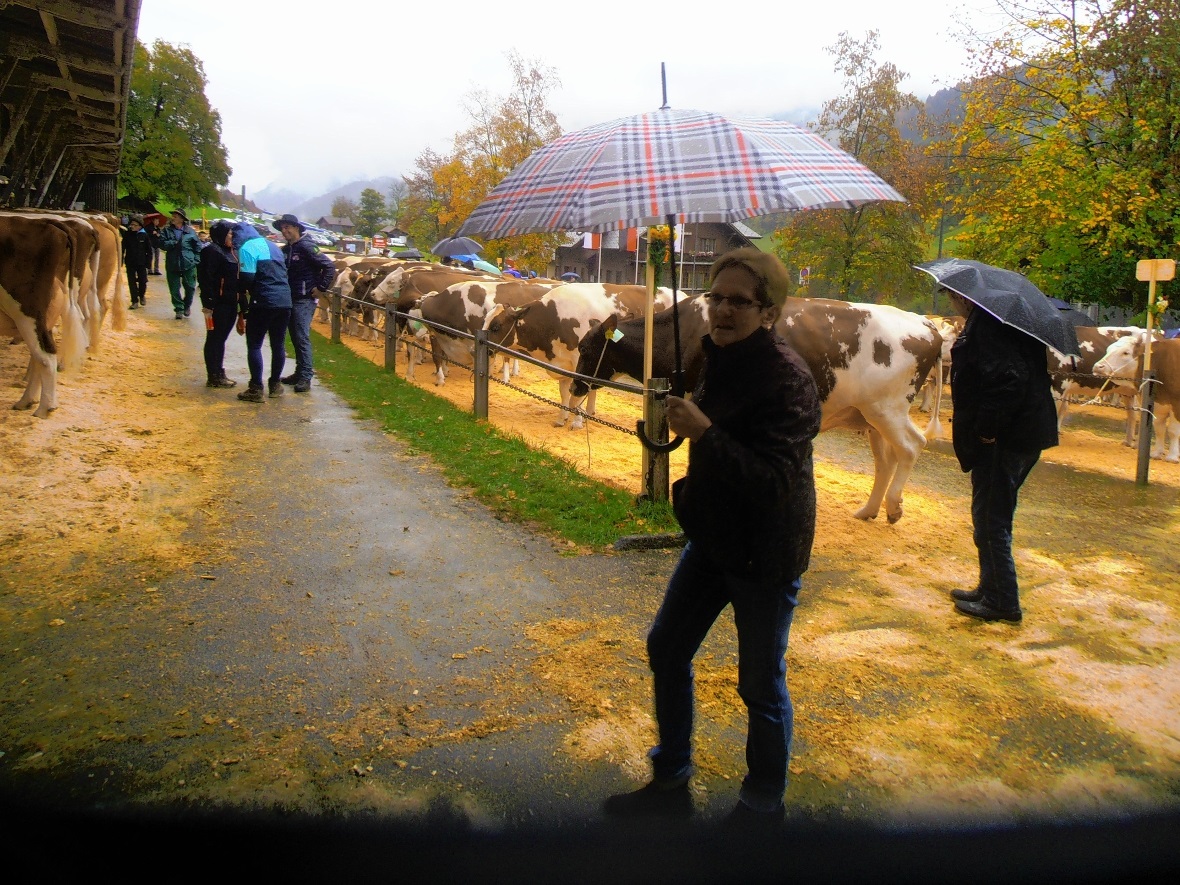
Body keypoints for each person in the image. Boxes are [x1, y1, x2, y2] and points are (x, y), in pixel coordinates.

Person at [603, 249, 821, 825]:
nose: (723, 310)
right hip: (713, 537)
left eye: (739, 301)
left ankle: (762, 803)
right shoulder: (713, 353)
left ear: (768, 312)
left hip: (765, 551)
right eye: (715, 297)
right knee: (667, 646)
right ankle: (671, 775)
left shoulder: (790, 380)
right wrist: (681, 419)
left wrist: (705, 431)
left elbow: (775, 483)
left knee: (759, 684)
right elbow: (710, 423)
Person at [946, 288, 1058, 623]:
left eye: (951, 296)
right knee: (991, 514)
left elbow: (1008, 382)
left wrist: (985, 432)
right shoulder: (1007, 326)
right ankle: (990, 586)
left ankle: (1002, 601)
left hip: (1006, 440)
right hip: (1023, 433)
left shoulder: (991, 328)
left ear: (965, 298)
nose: (951, 302)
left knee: (992, 519)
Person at [273, 213, 336, 393]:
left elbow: (329, 266)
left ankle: (306, 376)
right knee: (294, 335)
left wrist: (321, 288)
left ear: (297, 228)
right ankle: (299, 372)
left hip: (304, 299)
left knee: (301, 336)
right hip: (290, 297)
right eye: (282, 228)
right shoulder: (286, 250)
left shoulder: (307, 247)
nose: (285, 231)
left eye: (288, 228)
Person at [232, 222, 293, 403]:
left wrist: (242, 292)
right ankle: (275, 384)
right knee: (278, 344)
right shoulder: (273, 246)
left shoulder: (247, 248)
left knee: (255, 344)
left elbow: (247, 278)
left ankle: (256, 388)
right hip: (284, 301)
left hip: (264, 300)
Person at [198, 220, 243, 388]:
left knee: (221, 338)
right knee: (215, 338)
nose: (232, 236)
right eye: (229, 233)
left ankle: (218, 371)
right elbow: (206, 278)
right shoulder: (211, 251)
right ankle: (214, 374)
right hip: (218, 303)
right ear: (221, 234)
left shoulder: (231, 252)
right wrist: (208, 303)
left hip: (231, 302)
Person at [158, 209, 202, 319]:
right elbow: (162, 244)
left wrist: (195, 260)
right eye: (172, 215)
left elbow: (198, 247)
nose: (172, 218)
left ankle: (187, 305)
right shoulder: (166, 231)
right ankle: (179, 308)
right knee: (174, 288)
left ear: (182, 219)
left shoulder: (190, 232)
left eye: (175, 216)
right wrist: (173, 242)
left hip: (188, 264)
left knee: (190, 287)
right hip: (172, 263)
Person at [121, 215, 153, 310]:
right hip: (130, 262)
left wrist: (148, 264)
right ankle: (134, 301)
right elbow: (122, 247)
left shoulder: (144, 235)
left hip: (141, 262)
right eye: (131, 224)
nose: (132, 226)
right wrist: (121, 259)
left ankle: (141, 295)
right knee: (132, 282)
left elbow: (149, 251)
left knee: (143, 281)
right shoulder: (127, 234)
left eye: (135, 225)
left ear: (140, 226)